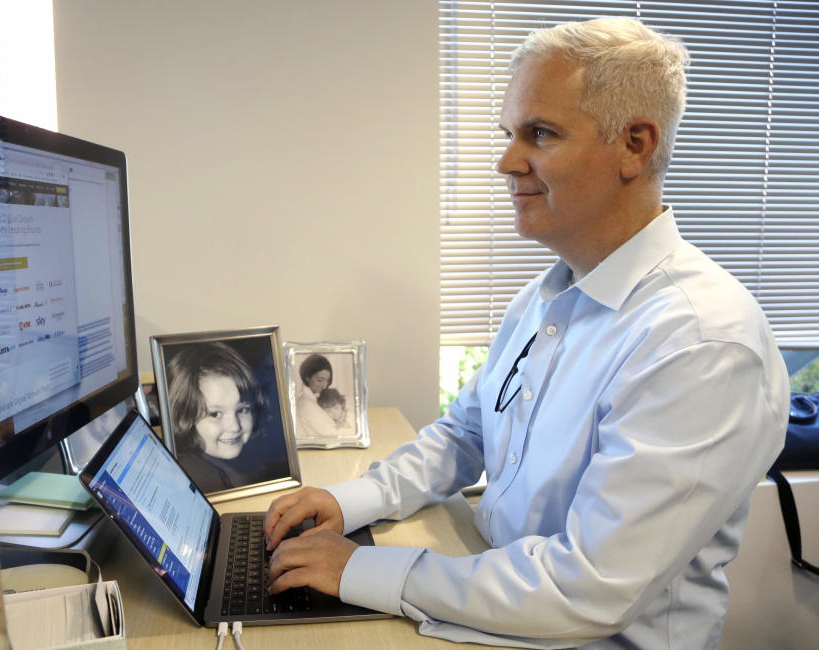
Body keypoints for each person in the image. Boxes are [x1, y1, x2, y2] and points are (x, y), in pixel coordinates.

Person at [264, 16, 789, 649]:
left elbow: (588, 586)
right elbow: (466, 434)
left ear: (635, 145)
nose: (506, 161)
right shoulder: (548, 294)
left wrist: (361, 569)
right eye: (510, 133)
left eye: (540, 134)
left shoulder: (699, 343)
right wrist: (352, 501)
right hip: (501, 602)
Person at [166, 341, 288, 494]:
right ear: (184, 416)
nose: (235, 426)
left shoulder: (230, 462)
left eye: (242, 409)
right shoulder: (201, 478)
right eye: (215, 414)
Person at [294, 353, 342, 440]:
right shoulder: (306, 404)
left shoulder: (309, 399)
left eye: (327, 380)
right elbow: (332, 434)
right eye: (320, 380)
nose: (325, 385)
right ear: (307, 377)